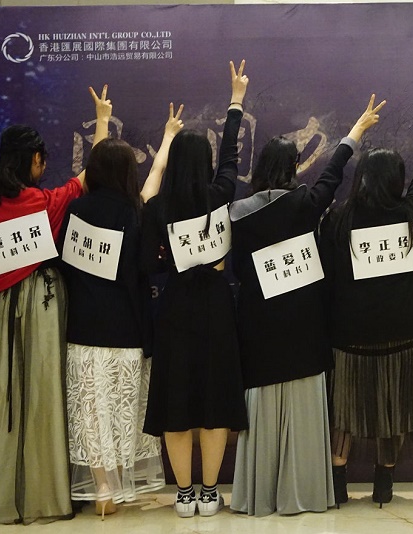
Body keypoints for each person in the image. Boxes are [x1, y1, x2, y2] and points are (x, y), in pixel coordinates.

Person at [0, 85, 111, 524]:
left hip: (2, 311)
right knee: (44, 392)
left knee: (2, 395)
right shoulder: (44, 203)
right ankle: (45, 492)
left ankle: (0, 495)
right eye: (41, 159)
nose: (44, 165)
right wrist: (102, 119)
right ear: (31, 161)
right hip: (44, 305)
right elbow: (89, 175)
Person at [229, 95, 385, 517]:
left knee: (261, 400)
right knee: (303, 398)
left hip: (258, 318)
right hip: (303, 320)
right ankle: (304, 491)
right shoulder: (304, 204)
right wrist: (355, 131)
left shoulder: (237, 213)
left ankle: (260, 493)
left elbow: (237, 268)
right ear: (293, 167)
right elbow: (333, 173)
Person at [320, 108, 413, 507]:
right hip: (403, 335)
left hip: (350, 337)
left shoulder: (338, 219)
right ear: (396, 181)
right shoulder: (407, 215)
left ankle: (338, 482)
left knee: (345, 411)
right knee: (395, 409)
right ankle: (384, 485)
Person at [59, 103, 185, 517]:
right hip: (128, 332)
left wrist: (101, 120)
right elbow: (154, 180)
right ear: (128, 172)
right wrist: (167, 137)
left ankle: (102, 490)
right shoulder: (136, 212)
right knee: (122, 412)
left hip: (83, 331)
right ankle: (119, 482)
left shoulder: (76, 211)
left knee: (91, 413)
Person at [139, 60, 249, 518]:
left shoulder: (158, 207)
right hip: (217, 306)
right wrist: (236, 101)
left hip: (176, 308)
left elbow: (147, 198)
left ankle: (183, 493)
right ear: (204, 163)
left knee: (177, 398)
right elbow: (231, 159)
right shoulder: (219, 195)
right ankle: (209, 492)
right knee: (215, 398)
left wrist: (166, 143)